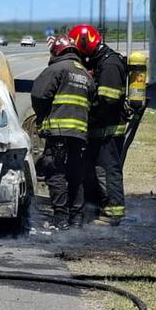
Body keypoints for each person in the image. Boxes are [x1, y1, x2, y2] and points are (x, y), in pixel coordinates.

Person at [31, 35, 95, 231]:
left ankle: (61, 219)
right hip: (79, 134)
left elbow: (39, 96)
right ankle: (76, 218)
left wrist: (42, 116)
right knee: (75, 173)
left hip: (58, 131)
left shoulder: (56, 69)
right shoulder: (85, 74)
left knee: (55, 172)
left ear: (57, 51)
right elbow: (93, 101)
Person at [70, 23, 129, 226]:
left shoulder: (110, 64)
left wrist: (90, 115)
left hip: (109, 130)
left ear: (85, 43)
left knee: (107, 170)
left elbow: (108, 100)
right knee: (96, 170)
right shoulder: (99, 61)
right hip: (101, 129)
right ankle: (97, 209)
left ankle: (113, 214)